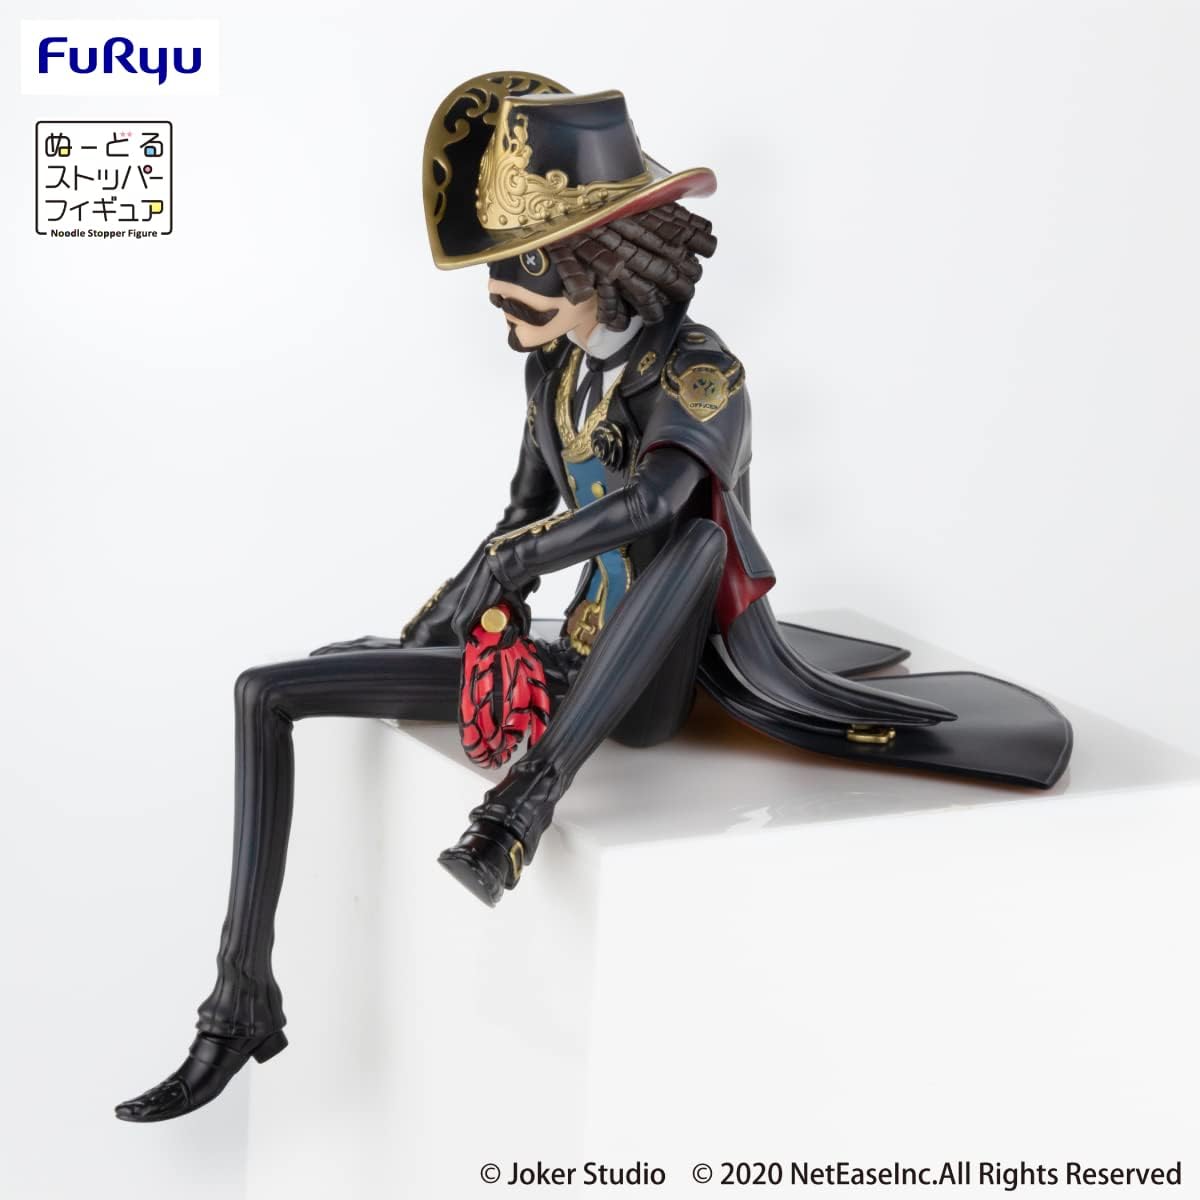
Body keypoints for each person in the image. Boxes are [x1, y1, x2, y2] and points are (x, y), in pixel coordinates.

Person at [114, 73, 1071, 1124]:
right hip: (572, 655)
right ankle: (239, 1003)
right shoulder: (552, 375)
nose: (504, 307)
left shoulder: (703, 373)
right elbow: (515, 514)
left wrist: (521, 555)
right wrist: (428, 630)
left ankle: (520, 814)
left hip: (657, 679)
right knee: (267, 690)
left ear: (591, 265)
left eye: (522, 282)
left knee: (696, 534)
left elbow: (654, 502)